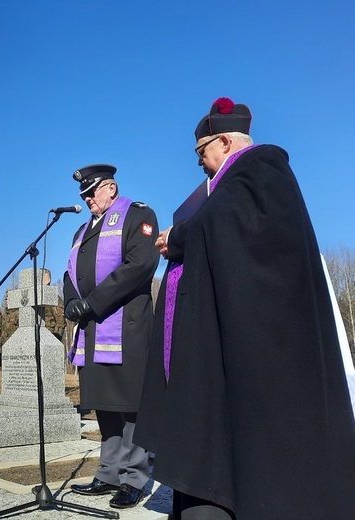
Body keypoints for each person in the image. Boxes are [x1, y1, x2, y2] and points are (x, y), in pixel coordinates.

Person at [134, 98, 355, 520]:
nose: (200, 163)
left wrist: (178, 236)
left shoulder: (260, 168)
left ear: (223, 141)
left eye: (201, 152)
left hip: (272, 344)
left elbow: (228, 226)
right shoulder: (234, 183)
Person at [63, 164, 159, 509]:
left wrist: (92, 302)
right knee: (104, 403)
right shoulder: (81, 231)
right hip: (91, 328)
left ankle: (133, 478)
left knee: (130, 404)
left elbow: (140, 266)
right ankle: (108, 473)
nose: (87, 199)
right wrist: (73, 301)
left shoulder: (138, 216)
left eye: (92, 192)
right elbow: (69, 273)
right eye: (83, 195)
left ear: (112, 189)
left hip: (126, 327)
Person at [39, 270, 65, 342]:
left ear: (47, 280)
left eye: (40, 278)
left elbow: (61, 320)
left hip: (49, 337)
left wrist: (54, 340)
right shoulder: (36, 297)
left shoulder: (53, 297)